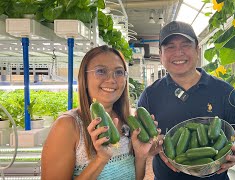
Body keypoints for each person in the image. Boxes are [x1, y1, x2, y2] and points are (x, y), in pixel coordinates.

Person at [138, 21, 235, 180]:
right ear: (161, 54)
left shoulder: (225, 91)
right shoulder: (150, 95)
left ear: (197, 50)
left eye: (185, 45)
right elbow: (142, 145)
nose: (178, 52)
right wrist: (152, 148)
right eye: (170, 47)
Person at [41, 45, 159, 180]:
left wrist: (141, 156)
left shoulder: (128, 122)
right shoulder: (67, 126)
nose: (111, 79)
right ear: (84, 79)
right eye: (101, 71)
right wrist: (101, 159)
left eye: (119, 72)